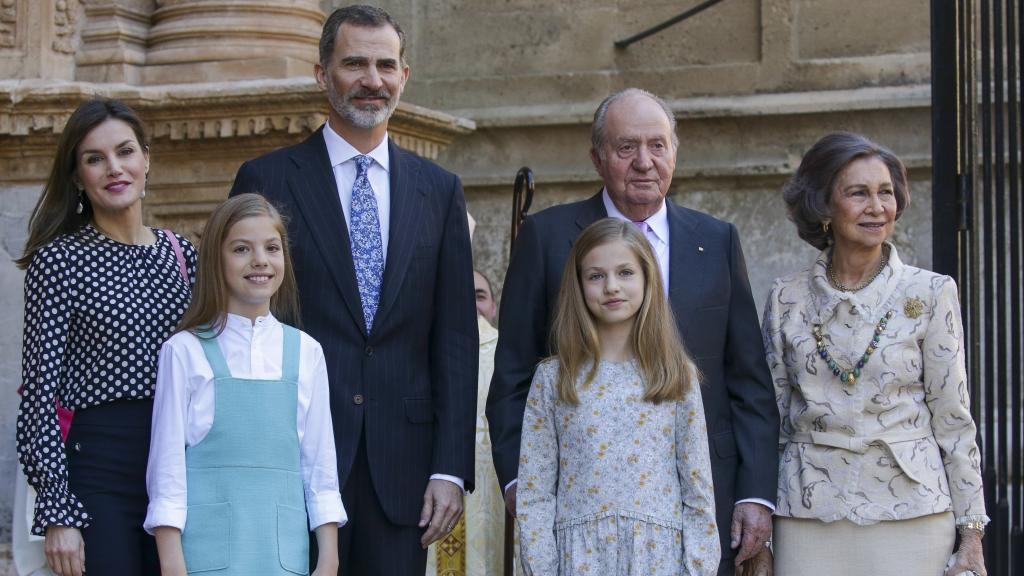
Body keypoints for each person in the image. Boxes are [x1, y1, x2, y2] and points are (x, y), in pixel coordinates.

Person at [487, 87, 778, 574]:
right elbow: (514, 372)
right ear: (598, 157)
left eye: (657, 145)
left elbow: (748, 378)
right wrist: (524, 486)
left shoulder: (717, 239)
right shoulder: (547, 237)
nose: (645, 161)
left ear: (674, 153)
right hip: (575, 517)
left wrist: (754, 492)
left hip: (701, 505)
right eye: (627, 148)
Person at [228, 5, 477, 573]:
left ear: (404, 76)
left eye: (386, 65)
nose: (372, 80)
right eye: (355, 63)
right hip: (290, 454)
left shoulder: (438, 190)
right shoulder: (267, 179)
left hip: (405, 469)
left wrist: (449, 468)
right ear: (323, 74)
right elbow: (239, 320)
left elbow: (456, 336)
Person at [763, 132, 989, 576]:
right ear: (824, 207)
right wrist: (762, 529)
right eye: (858, 193)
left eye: (885, 192)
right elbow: (773, 419)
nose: (877, 206)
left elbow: (953, 417)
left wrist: (972, 533)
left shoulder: (930, 292)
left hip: (913, 512)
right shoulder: (784, 298)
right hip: (808, 510)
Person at [15, 98, 197, 576]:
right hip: (100, 470)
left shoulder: (182, 255)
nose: (115, 168)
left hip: (180, 465)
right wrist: (58, 512)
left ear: (146, 159)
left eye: (125, 152)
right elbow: (38, 394)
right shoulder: (59, 262)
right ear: (78, 177)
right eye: (95, 159)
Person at [144, 193, 346, 575]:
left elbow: (320, 466)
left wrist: (328, 560)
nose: (260, 260)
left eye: (272, 247)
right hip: (206, 561)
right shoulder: (184, 351)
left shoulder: (306, 352)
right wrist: (172, 566)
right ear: (216, 260)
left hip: (285, 559)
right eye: (241, 248)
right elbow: (167, 474)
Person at [516, 218, 718, 574]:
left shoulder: (675, 375)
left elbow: (698, 490)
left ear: (647, 279)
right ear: (578, 286)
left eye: (625, 273)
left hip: (657, 560)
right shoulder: (554, 379)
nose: (611, 286)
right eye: (596, 276)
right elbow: (535, 494)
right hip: (580, 561)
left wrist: (697, 568)